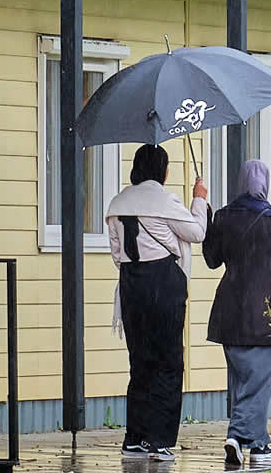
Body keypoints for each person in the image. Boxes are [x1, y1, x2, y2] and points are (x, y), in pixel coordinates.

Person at [106, 143, 208, 462]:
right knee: (168, 361)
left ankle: (134, 439)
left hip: (131, 285)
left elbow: (115, 252)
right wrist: (199, 198)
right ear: (162, 170)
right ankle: (160, 442)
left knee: (140, 362)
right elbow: (197, 232)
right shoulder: (165, 200)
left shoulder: (117, 203)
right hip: (163, 284)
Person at [203, 159, 271, 468]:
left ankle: (258, 445)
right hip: (265, 313)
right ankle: (236, 435)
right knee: (258, 384)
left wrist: (207, 219)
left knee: (242, 382)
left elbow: (212, 260)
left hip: (229, 312)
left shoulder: (223, 218)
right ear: (265, 184)